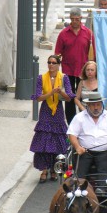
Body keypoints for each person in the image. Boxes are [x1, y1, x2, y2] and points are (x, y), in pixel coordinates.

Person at [30, 55, 75, 183]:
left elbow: (69, 98)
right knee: (43, 140)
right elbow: (39, 97)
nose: (51, 65)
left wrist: (60, 92)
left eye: (54, 63)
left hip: (59, 111)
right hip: (45, 111)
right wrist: (51, 93)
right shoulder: (41, 78)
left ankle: (54, 169)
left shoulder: (64, 78)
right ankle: (44, 169)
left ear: (58, 65)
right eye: (49, 62)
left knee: (57, 140)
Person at [67, 92, 107, 178]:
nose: (96, 108)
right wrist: (77, 147)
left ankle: (101, 190)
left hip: (104, 152)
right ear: (88, 105)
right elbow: (72, 134)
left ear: (102, 104)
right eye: (93, 105)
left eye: (98, 105)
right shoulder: (79, 117)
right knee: (79, 178)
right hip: (84, 152)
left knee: (105, 178)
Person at [55, 7, 93, 124]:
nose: (75, 21)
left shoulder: (88, 33)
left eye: (77, 19)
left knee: (83, 97)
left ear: (81, 18)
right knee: (69, 98)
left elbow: (92, 53)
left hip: (83, 72)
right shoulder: (63, 34)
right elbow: (57, 54)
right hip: (68, 70)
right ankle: (71, 123)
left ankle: (83, 121)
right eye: (72, 19)